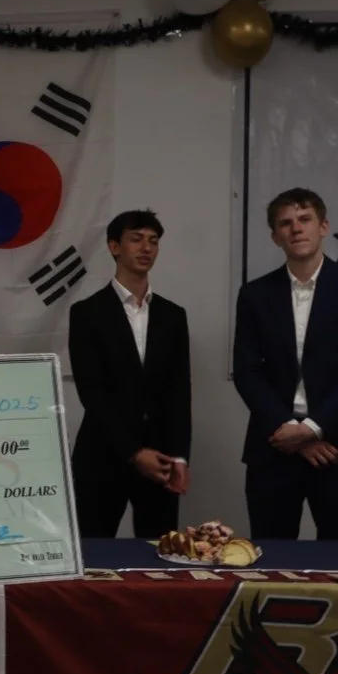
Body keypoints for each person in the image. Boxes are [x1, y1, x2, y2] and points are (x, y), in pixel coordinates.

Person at [232, 187, 338, 541]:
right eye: (285, 223)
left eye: (305, 220)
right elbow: (247, 371)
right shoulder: (255, 295)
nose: (296, 229)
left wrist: (312, 429)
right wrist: (291, 432)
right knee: (270, 562)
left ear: (324, 226)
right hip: (274, 446)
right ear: (275, 237)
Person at [66, 209, 192, 539]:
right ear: (114, 246)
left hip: (161, 456)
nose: (146, 248)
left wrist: (180, 457)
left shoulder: (172, 315)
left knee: (159, 556)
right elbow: (91, 392)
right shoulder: (87, 313)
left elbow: (179, 393)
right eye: (136, 239)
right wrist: (134, 453)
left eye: (153, 241)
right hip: (102, 453)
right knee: (94, 555)